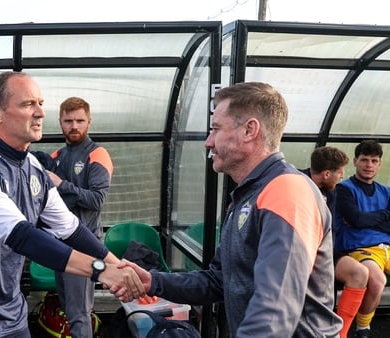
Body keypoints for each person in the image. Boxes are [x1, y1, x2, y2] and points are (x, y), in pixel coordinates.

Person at [0, 71, 143, 338]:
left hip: (11, 315)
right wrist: (100, 270)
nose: (40, 112)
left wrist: (119, 266)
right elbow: (21, 234)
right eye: (28, 104)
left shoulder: (33, 167)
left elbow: (70, 229)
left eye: (40, 103)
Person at [123, 82, 342, 337]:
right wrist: (154, 282)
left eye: (216, 129)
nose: (208, 142)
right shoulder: (247, 195)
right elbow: (219, 279)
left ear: (250, 130)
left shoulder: (286, 191)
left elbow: (274, 312)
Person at [334, 140, 390, 338]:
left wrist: (367, 218)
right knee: (377, 280)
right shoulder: (344, 189)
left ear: (379, 164)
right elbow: (356, 219)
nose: (369, 165)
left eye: (374, 161)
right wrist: (383, 215)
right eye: (364, 160)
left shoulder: (386, 191)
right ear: (355, 161)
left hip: (389, 250)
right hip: (360, 249)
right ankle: (363, 329)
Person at [46, 96, 114, 337]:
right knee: (67, 307)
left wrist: (62, 185)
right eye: (68, 121)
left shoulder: (98, 154)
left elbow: (96, 200)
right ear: (60, 122)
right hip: (59, 243)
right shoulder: (56, 156)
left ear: (89, 122)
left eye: (79, 120)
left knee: (80, 312)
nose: (74, 126)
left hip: (84, 245)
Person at [301, 146, 369, 338]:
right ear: (326, 173)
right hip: (299, 252)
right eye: (340, 172)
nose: (342, 176)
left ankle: (340, 334)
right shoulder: (297, 185)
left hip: (324, 251)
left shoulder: (331, 191)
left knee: (359, 273)